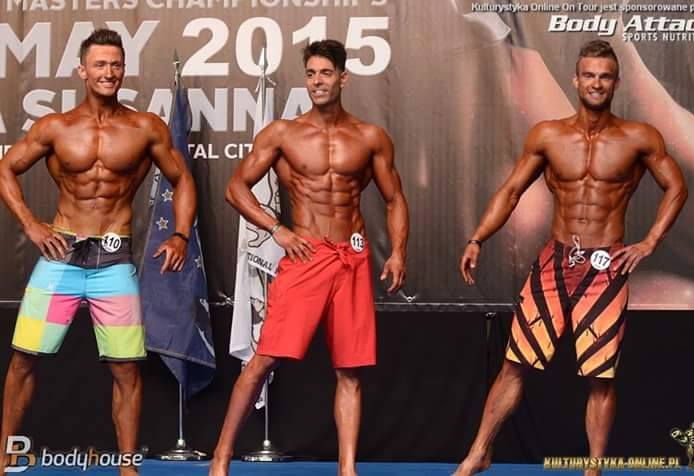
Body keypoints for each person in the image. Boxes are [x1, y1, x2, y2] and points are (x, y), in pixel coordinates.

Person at [455, 39, 687, 476]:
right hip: (555, 262)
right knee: (515, 363)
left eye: (604, 77)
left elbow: (677, 186)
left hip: (605, 267)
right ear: (575, 80)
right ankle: (477, 454)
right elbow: (511, 191)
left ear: (616, 83)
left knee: (601, 375)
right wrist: (478, 238)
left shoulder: (639, 137)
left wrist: (650, 242)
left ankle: (593, 469)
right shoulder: (548, 134)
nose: (596, 83)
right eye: (589, 75)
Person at [0, 29, 196, 475]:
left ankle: (127, 466)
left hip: (113, 263)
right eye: (100, 64)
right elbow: (6, 168)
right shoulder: (56, 127)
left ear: (124, 70)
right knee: (23, 359)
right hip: (61, 258)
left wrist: (181, 234)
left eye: (116, 64)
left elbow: (182, 178)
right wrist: (30, 223)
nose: (109, 72)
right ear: (82, 71)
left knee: (126, 369)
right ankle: (4, 454)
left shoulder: (145, 127)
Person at [209, 39, 409, 476]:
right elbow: (235, 187)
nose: (318, 81)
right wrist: (276, 228)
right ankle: (221, 457)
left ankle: (347, 469)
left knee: (350, 370)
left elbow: (394, 198)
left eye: (326, 73)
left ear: (343, 78)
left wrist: (397, 252)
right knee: (264, 358)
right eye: (312, 74)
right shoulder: (283, 134)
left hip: (351, 258)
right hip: (306, 255)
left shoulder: (370, 137)